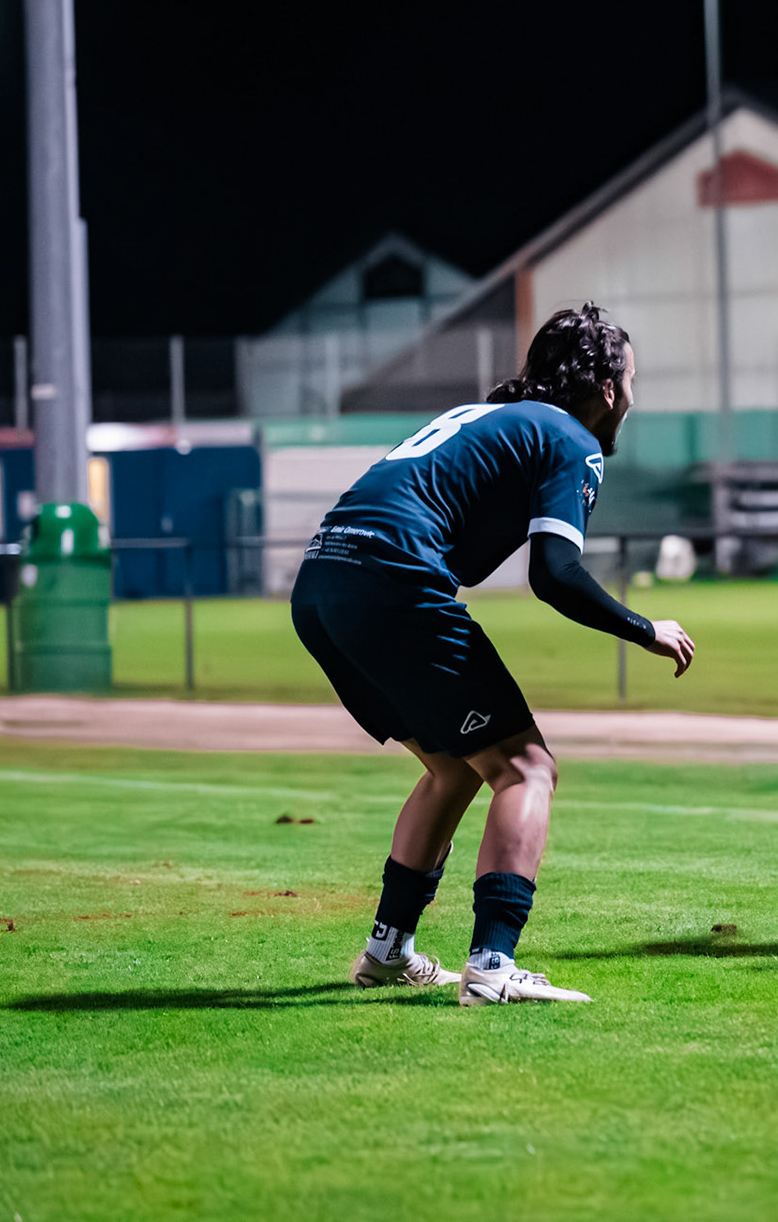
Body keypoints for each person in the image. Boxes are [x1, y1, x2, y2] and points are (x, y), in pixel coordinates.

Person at [291, 304, 695, 1006]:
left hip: (322, 584)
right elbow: (555, 576)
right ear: (607, 389)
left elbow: (471, 562)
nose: (631, 396)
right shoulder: (573, 438)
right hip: (390, 578)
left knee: (453, 767)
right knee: (526, 768)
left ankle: (387, 952)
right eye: (631, 380)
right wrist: (643, 627)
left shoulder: (495, 420)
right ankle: (493, 964)